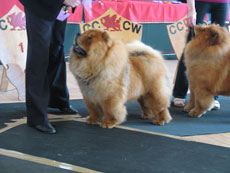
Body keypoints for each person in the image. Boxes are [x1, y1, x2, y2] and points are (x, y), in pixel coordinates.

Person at [19, 0, 81, 134]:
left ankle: (58, 100)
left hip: (62, 8)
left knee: (57, 48)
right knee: (39, 54)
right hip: (40, 6)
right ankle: (36, 117)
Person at [172, 0, 228, 109]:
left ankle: (213, 96)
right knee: (191, 48)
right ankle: (179, 93)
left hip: (222, 2)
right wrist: (191, 10)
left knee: (219, 52)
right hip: (200, 2)